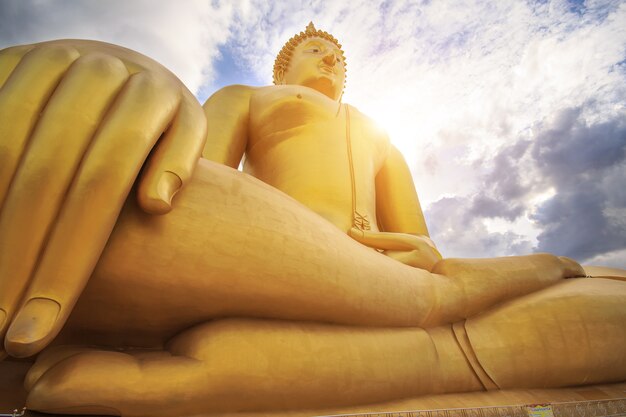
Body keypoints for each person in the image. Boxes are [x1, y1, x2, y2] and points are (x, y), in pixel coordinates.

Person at [0, 23, 624, 416]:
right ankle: (428, 314)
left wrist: (414, 258)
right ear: (284, 66)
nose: (328, 62)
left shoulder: (378, 135)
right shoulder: (252, 98)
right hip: (274, 248)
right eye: (315, 51)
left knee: (606, 310)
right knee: (127, 200)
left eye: (336, 59)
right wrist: (131, 88)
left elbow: (420, 239)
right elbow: (190, 174)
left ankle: (421, 336)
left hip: (382, 275)